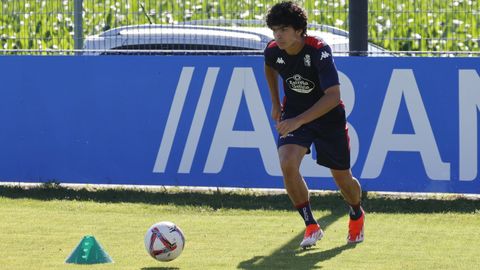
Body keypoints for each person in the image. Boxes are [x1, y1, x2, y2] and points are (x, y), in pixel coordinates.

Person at [263, 1, 365, 249]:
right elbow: (269, 67)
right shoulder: (273, 50)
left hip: (328, 116)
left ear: (299, 30)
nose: (278, 35)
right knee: (287, 163)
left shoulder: (319, 50)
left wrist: (297, 120)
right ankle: (311, 225)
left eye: (284, 29)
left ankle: (356, 213)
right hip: (295, 113)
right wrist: (276, 103)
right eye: (275, 29)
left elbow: (333, 96)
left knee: (343, 179)